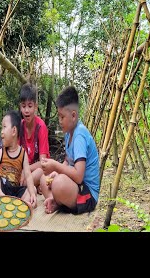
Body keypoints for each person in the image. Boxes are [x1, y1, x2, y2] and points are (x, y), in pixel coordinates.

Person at [39, 86, 100, 215]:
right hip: (75, 187)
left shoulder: (79, 135)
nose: (60, 121)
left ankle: (58, 199)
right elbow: (68, 161)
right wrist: (55, 172)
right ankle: (55, 200)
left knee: (59, 183)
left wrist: (55, 166)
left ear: (73, 115)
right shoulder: (68, 133)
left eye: (62, 117)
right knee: (44, 180)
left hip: (87, 193)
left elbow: (78, 177)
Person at [0, 110, 37, 208]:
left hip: (15, 191)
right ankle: (2, 198)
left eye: (4, 127)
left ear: (14, 131)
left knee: (33, 189)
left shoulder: (23, 153)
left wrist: (33, 194)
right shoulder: (1, 152)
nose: (1, 131)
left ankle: (20, 204)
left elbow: (28, 176)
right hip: (3, 188)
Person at [18, 83, 49, 188]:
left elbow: (43, 162)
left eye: (30, 106)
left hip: (36, 170)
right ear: (20, 107)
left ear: (35, 107)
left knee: (39, 172)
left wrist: (26, 170)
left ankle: (29, 186)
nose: (26, 110)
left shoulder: (41, 127)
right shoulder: (19, 126)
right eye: (23, 106)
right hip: (22, 171)